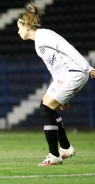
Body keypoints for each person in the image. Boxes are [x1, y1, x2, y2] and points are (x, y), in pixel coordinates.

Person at [17, 4, 95, 166]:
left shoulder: (44, 35)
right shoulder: (38, 44)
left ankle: (54, 155)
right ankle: (65, 147)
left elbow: (68, 48)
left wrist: (88, 68)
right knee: (46, 106)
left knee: (45, 108)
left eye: (19, 28)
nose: (18, 32)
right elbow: (54, 68)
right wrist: (62, 97)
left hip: (75, 72)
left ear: (26, 25)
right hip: (66, 75)